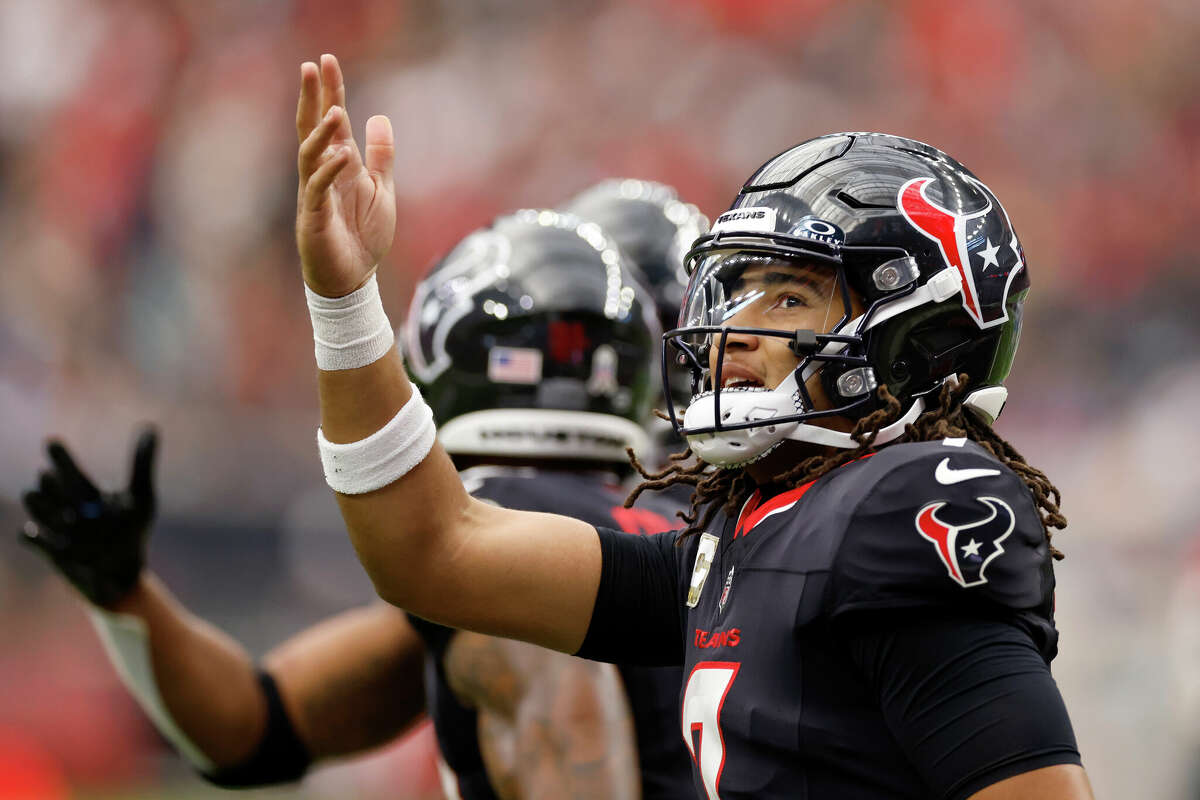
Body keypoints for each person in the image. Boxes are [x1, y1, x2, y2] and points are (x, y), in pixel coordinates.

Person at [292, 53, 1092, 799]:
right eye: (739, 293)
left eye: (788, 297)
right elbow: (433, 553)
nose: (738, 330)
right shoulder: (739, 542)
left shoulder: (899, 513)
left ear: (913, 338)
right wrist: (345, 303)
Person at [20, 212, 696, 797]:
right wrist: (127, 598)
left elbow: (572, 726)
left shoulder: (501, 535)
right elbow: (260, 725)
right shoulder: (666, 528)